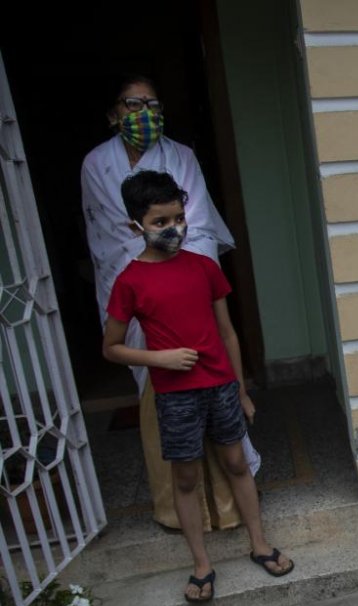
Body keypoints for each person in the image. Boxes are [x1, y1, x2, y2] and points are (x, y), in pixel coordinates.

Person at [81, 73, 259, 531]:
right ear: (113, 113)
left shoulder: (181, 156)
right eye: (132, 104)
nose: (144, 114)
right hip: (136, 290)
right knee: (162, 400)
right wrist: (149, 272)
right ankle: (181, 510)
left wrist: (181, 274)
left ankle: (230, 505)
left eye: (152, 104)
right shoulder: (96, 163)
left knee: (219, 406)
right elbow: (110, 231)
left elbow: (194, 223)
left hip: (187, 288)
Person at [102, 171, 291, 603]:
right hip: (175, 394)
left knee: (237, 463)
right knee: (184, 478)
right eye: (160, 222)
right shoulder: (129, 281)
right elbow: (111, 348)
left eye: (179, 218)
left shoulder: (204, 267)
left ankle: (259, 544)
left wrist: (241, 390)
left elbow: (227, 333)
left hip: (221, 385)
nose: (174, 229)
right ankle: (201, 563)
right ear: (136, 226)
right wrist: (159, 359)